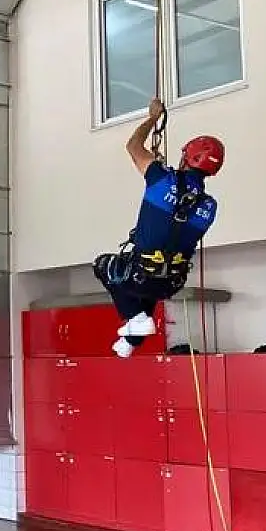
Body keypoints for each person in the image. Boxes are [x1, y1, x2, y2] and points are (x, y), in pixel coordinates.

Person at [92, 97, 224, 358]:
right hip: (170, 283)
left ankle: (135, 319)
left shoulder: (161, 179)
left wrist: (152, 118)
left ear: (188, 157)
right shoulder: (209, 206)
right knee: (151, 275)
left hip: (143, 275)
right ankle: (131, 340)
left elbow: (133, 146)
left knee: (104, 265)